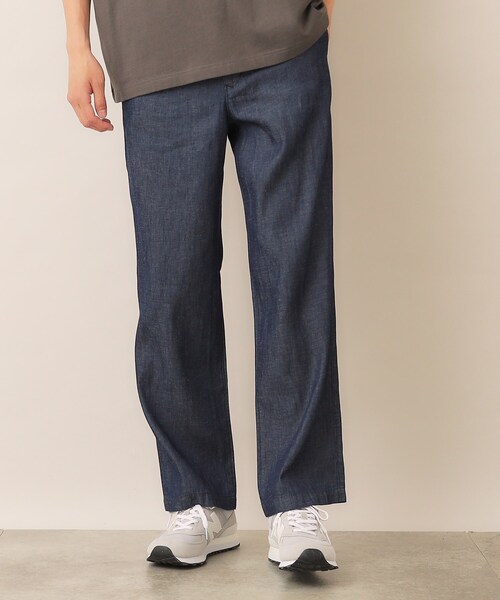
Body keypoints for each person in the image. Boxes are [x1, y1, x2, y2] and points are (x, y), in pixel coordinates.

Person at [62, 0, 347, 572]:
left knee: (294, 276)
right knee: (172, 289)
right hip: (153, 51)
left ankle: (296, 501)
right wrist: (77, 45)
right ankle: (200, 499)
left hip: (283, 46)